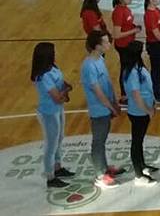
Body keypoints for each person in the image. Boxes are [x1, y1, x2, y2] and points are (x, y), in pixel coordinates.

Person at [81, 30, 124, 188]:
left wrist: (114, 100)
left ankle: (104, 168)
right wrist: (111, 107)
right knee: (98, 142)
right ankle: (100, 175)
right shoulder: (89, 66)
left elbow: (107, 81)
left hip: (106, 106)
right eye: (105, 42)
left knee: (102, 139)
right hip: (99, 109)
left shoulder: (100, 59)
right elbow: (97, 91)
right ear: (97, 45)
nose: (109, 44)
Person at [31, 42, 75, 189]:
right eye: (53, 52)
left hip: (58, 109)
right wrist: (67, 90)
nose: (56, 53)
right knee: (51, 144)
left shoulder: (53, 67)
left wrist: (65, 87)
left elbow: (60, 83)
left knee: (59, 138)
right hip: (49, 112)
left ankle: (57, 167)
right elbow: (57, 97)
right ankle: (50, 177)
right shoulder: (43, 76)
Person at [121, 41, 159, 186]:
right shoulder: (132, 72)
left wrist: (152, 103)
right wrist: (148, 110)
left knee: (140, 140)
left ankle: (142, 165)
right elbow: (136, 95)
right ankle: (138, 175)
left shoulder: (138, 68)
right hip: (138, 112)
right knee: (136, 142)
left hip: (143, 110)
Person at [111, 0, 139, 100]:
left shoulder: (125, 9)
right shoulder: (118, 12)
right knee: (125, 70)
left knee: (129, 69)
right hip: (123, 45)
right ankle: (124, 95)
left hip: (129, 43)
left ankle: (129, 91)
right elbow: (116, 34)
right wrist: (134, 30)